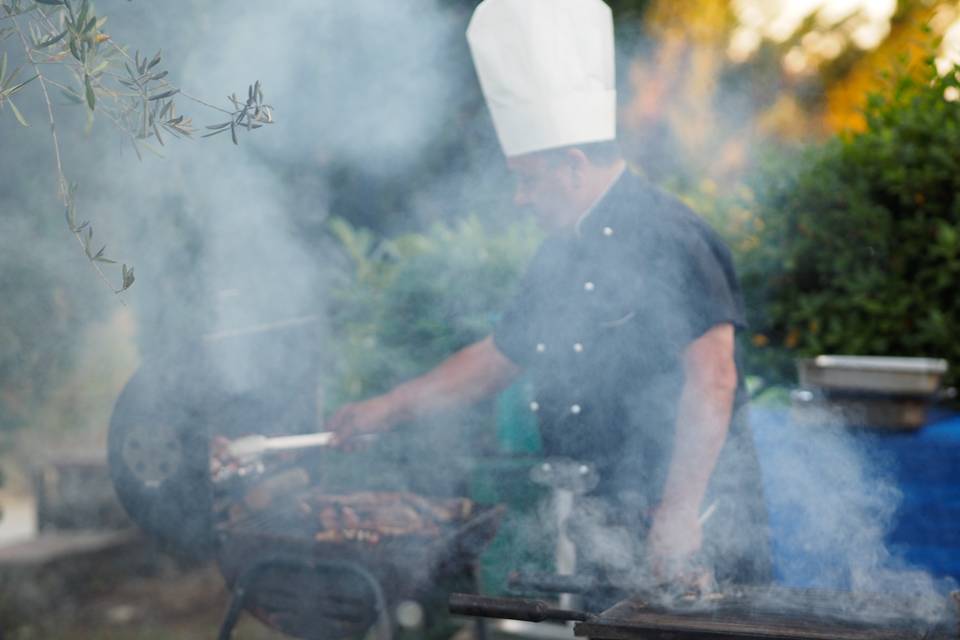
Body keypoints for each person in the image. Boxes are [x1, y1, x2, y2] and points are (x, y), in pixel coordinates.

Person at [326, 0, 770, 587]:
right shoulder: (559, 254)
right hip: (606, 522)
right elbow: (495, 360)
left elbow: (712, 379)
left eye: (526, 179)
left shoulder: (674, 237)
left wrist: (680, 513)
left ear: (572, 164)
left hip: (689, 526)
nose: (520, 198)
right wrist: (387, 408)